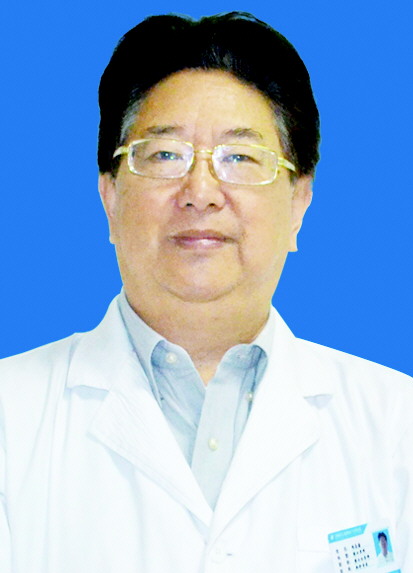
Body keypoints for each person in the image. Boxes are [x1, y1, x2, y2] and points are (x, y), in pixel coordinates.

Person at [0, 12, 412, 573]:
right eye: (164, 155)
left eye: (240, 158)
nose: (200, 192)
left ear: (298, 204)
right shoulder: (12, 417)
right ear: (109, 197)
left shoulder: (396, 426)